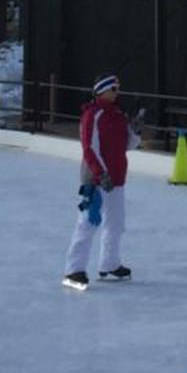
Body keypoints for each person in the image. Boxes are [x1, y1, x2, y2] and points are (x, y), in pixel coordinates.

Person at [62, 74, 140, 288]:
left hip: (117, 179)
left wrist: (135, 131)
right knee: (88, 223)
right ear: (102, 91)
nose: (118, 92)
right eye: (114, 88)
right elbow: (89, 148)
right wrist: (100, 173)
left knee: (116, 224)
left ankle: (110, 264)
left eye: (118, 88)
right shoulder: (92, 115)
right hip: (97, 180)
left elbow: (128, 145)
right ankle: (74, 270)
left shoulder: (118, 114)